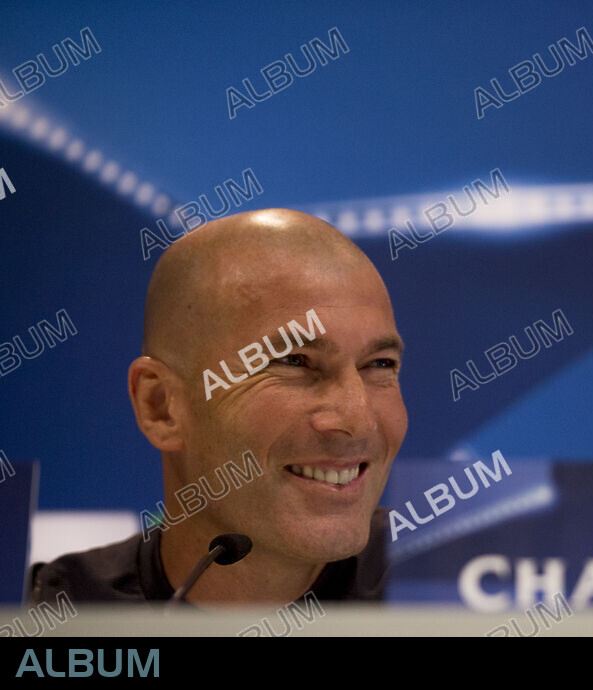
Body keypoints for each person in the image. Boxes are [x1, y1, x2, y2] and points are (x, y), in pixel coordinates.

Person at [30, 209, 407, 607]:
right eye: (294, 361)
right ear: (160, 407)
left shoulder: (464, 587)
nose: (358, 418)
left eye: (380, 364)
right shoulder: (46, 618)